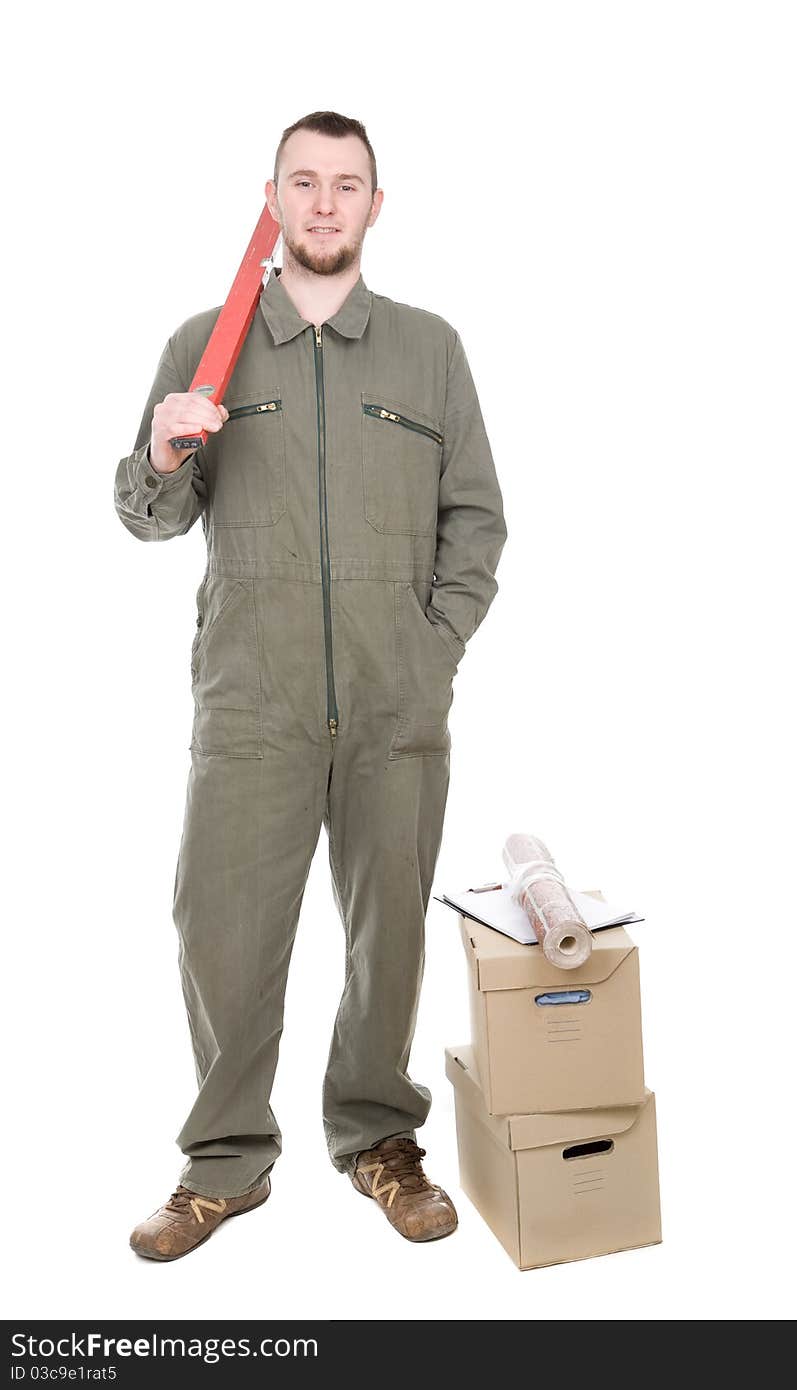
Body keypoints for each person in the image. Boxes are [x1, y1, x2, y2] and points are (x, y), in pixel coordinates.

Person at [115, 110, 507, 1261]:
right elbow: (149, 516)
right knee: (222, 931)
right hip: (252, 696)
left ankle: (379, 1139)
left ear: (375, 206)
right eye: (304, 182)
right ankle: (224, 1163)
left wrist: (432, 646)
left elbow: (475, 517)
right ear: (272, 201)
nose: (326, 202)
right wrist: (163, 452)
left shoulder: (428, 347)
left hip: (398, 699)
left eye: (347, 184)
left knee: (388, 934)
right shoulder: (209, 341)